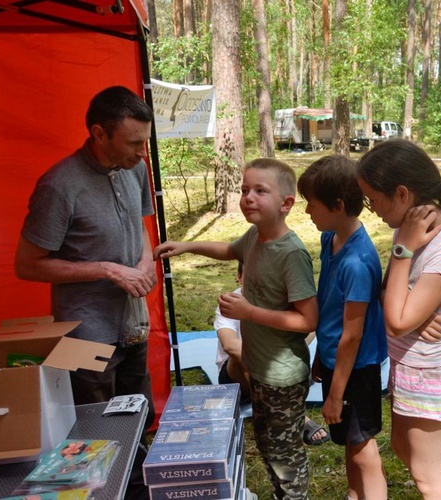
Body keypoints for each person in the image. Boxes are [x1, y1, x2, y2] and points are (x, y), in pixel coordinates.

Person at [154, 158, 318, 499]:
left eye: (260, 191)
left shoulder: (291, 254)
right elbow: (229, 249)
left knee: (285, 455)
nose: (248, 197)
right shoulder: (256, 235)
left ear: (287, 204)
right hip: (258, 370)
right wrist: (186, 246)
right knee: (269, 444)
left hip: (283, 377)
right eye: (245, 190)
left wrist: (250, 312)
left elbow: (308, 320)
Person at [14, 86, 157, 424]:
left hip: (134, 325)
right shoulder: (59, 186)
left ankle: (138, 479)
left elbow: (141, 227)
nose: (142, 153)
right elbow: (27, 265)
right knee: (99, 429)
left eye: (145, 141)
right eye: (134, 143)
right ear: (99, 134)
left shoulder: (135, 168)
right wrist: (107, 269)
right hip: (87, 334)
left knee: (138, 416)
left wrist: (145, 261)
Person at [357, 139, 441, 500]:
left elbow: (396, 320)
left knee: (429, 477)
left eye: (373, 199)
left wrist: (403, 253)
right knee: (403, 448)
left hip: (431, 372)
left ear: (401, 193)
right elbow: (390, 295)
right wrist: (415, 313)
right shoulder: (412, 227)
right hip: (410, 365)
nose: (372, 210)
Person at [297, 155, 389, 500]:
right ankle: (355, 494)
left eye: (311, 204)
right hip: (337, 363)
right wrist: (323, 353)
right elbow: (331, 309)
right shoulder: (330, 239)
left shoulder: (357, 261)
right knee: (350, 440)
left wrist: (336, 395)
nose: (307, 212)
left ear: (337, 205)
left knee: (362, 445)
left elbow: (353, 334)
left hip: (357, 370)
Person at [214, 262, 329, 446]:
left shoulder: (278, 299)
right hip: (239, 375)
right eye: (250, 277)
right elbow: (230, 345)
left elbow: (310, 327)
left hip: (278, 366)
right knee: (245, 356)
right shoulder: (230, 303)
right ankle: (295, 415)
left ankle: (276, 409)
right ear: (239, 277)